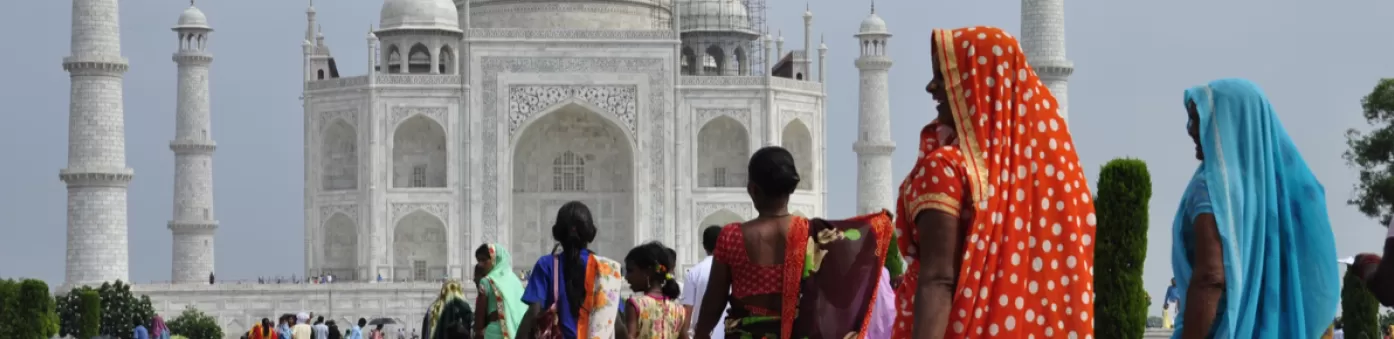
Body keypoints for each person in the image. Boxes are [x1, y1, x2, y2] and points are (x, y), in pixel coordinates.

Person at [893, 26, 1098, 339]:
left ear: (979, 81)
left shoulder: (946, 168)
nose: (931, 87)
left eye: (945, 74)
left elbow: (938, 281)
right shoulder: (1048, 180)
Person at [1171, 78, 1339, 338]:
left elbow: (1210, 277)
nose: (1190, 129)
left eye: (1199, 118)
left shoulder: (1212, 186)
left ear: (1231, 121)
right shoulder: (1277, 194)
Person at [694, 146, 897, 339]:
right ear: (791, 189)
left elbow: (715, 298)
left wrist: (702, 334)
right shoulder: (810, 234)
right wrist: (878, 225)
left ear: (752, 189)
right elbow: (847, 261)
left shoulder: (731, 236)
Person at [517, 201, 625, 339]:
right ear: (592, 233)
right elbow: (616, 322)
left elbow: (533, 312)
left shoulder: (547, 264)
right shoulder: (607, 269)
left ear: (556, 233)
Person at [623, 242, 687, 339]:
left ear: (647, 272)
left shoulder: (636, 304)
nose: (627, 277)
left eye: (630, 270)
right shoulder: (679, 310)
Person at [473, 243, 527, 339]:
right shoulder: (515, 281)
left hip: (494, 333)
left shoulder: (486, 281)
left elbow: (479, 316)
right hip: (516, 332)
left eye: (484, 260)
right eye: (479, 261)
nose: (480, 265)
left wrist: (478, 333)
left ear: (495, 259)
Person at [681, 226, 727, 339]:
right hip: (730, 333)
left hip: (701, 335)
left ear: (704, 246)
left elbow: (687, 311)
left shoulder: (695, 272)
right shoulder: (733, 270)